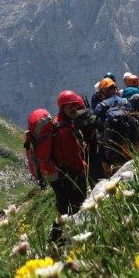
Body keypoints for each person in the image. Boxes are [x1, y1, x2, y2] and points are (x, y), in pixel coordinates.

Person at [37, 90, 92, 243]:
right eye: (69, 106)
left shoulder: (56, 123)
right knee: (74, 207)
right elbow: (74, 158)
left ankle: (56, 239)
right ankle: (64, 239)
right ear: (63, 108)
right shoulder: (65, 131)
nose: (74, 109)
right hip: (68, 176)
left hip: (58, 175)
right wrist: (84, 167)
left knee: (62, 207)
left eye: (75, 105)